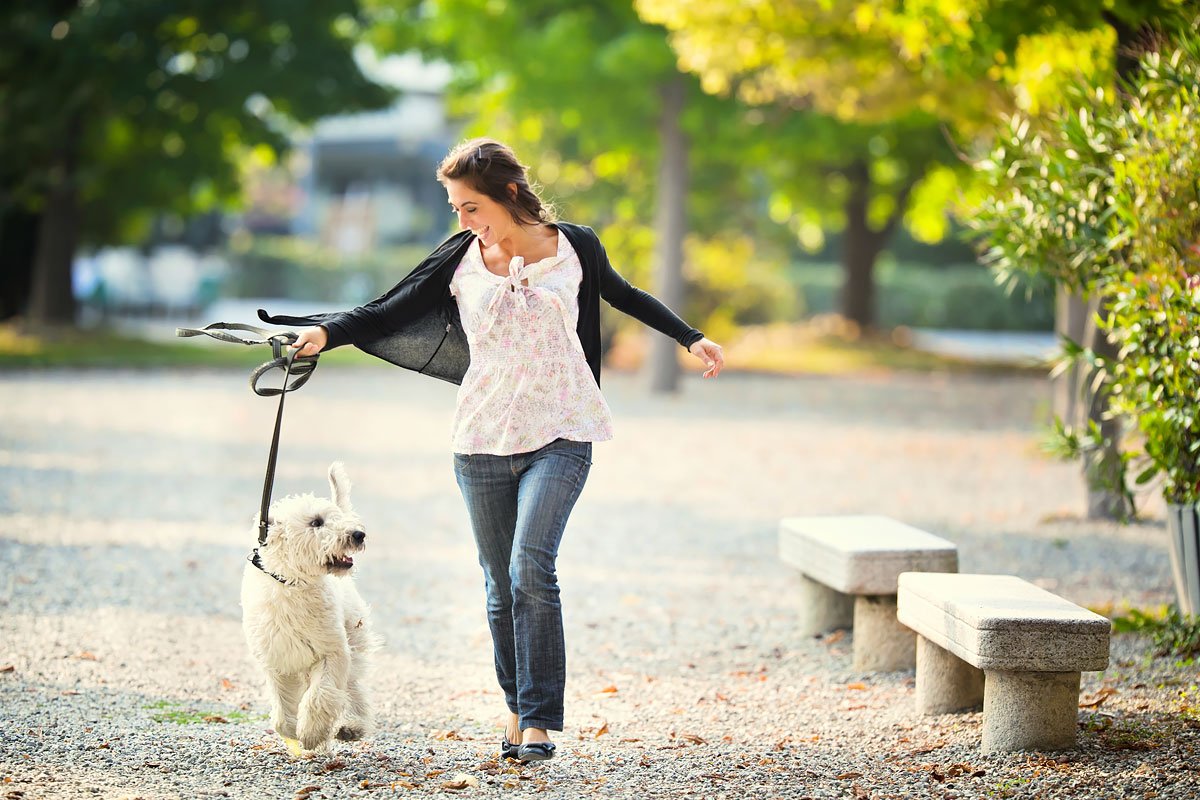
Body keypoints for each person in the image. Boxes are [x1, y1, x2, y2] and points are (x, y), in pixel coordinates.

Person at [273, 138, 724, 762]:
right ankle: (515, 708)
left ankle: (538, 724)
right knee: (497, 583)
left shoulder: (576, 246)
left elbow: (625, 295)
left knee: (529, 567)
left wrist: (691, 338)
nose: (461, 219)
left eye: (470, 207)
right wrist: (324, 334)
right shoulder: (460, 258)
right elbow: (386, 311)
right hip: (481, 439)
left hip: (563, 431)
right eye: (455, 207)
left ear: (509, 195)